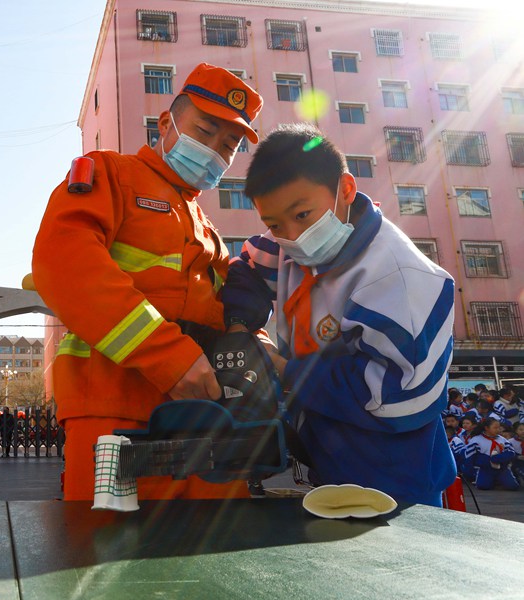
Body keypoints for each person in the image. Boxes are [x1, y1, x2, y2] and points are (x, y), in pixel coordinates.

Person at [32, 63, 262, 501]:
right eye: (205, 129)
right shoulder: (109, 174)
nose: (215, 150)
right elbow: (64, 259)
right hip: (114, 409)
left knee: (218, 558)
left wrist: (258, 352)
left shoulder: (208, 230)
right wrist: (170, 358)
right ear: (165, 124)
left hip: (208, 418)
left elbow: (232, 311)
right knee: (103, 554)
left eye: (229, 145)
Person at [220, 123, 456, 506]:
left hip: (398, 479)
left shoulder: (399, 276)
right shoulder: (287, 246)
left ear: (344, 190)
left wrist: (283, 368)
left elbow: (393, 399)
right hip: (328, 467)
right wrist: (240, 327)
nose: (293, 236)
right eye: (274, 224)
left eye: (302, 215)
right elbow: (245, 269)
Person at [464, 417, 519, 491]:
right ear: (486, 428)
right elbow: (469, 456)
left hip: (502, 468)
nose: (498, 430)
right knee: (483, 486)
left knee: (512, 487)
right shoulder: (476, 440)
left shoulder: (502, 439)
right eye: (495, 428)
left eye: (499, 428)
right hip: (486, 468)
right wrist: (483, 461)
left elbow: (511, 452)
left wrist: (499, 458)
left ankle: (499, 479)